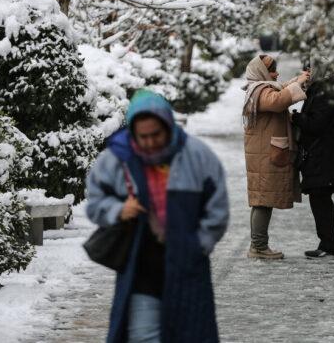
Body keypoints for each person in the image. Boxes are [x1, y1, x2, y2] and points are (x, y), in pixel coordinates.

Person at [85, 90, 229, 343]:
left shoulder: (197, 156)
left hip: (188, 267)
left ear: (168, 126)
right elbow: (96, 203)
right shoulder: (118, 159)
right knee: (144, 336)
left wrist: (199, 245)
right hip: (141, 267)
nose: (150, 142)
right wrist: (118, 210)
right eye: (143, 137)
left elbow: (217, 209)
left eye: (156, 134)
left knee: (191, 334)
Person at [242, 54, 309, 259]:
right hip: (264, 155)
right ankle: (258, 247)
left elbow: (280, 88)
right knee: (263, 200)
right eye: (272, 70)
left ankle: (259, 245)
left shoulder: (261, 88)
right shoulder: (259, 91)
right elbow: (278, 100)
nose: (276, 73)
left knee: (264, 199)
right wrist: (297, 83)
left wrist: (297, 80)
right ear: (262, 72)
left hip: (265, 152)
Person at [292, 56, 334, 260]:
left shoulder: (324, 92)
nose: (306, 73)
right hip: (322, 154)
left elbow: (316, 125)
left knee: (321, 199)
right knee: (320, 199)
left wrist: (295, 118)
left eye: (309, 69)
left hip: (323, 155)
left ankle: (330, 246)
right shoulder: (323, 90)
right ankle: (327, 244)